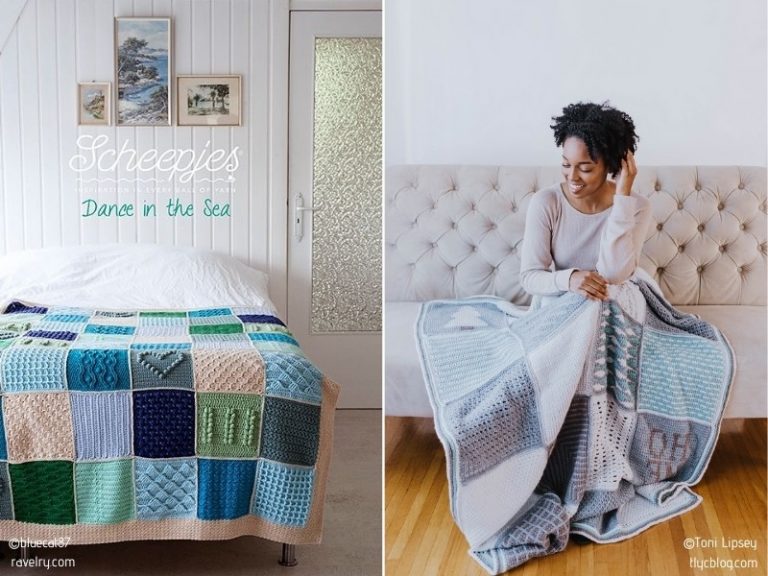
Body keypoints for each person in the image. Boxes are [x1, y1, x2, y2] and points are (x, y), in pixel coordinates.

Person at [520, 101, 652, 302]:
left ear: (610, 165)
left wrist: (622, 199)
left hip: (615, 302)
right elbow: (529, 277)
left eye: (585, 168)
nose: (572, 177)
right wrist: (569, 279)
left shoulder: (637, 206)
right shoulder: (547, 203)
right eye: (566, 164)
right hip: (565, 301)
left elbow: (615, 275)